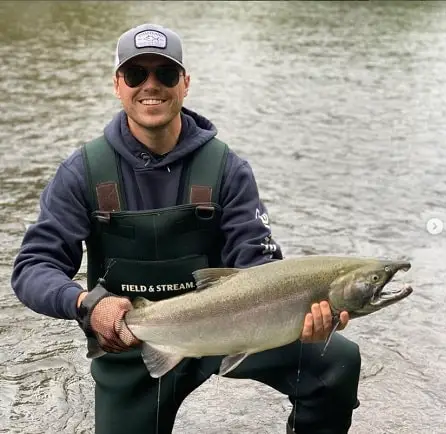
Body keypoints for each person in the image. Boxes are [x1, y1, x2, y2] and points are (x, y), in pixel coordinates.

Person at [11, 23, 361, 434]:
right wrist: (86, 304)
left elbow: (259, 264)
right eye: (137, 74)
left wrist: (300, 311)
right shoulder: (83, 173)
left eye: (166, 74)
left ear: (185, 83)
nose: (152, 86)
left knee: (337, 361)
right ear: (118, 85)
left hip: (229, 331)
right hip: (131, 342)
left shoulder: (227, 169)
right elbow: (33, 267)